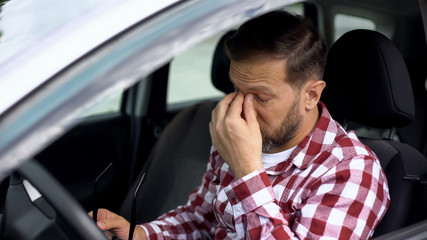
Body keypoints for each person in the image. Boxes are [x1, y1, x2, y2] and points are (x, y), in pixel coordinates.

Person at [92, 10, 390, 239]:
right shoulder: (239, 133)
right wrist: (140, 234)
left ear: (311, 94)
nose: (240, 108)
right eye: (236, 89)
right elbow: (202, 219)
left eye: (260, 97)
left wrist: (247, 170)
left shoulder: (352, 171)